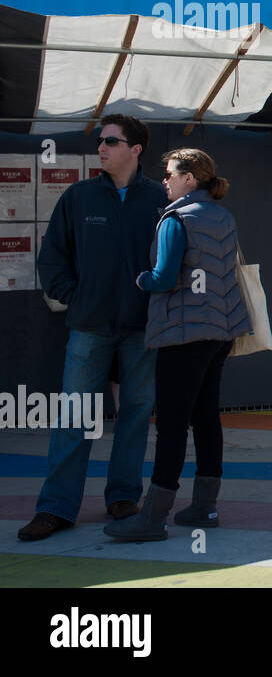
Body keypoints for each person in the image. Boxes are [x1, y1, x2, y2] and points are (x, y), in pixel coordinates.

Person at [19, 116, 168, 543]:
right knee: (74, 417)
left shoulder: (160, 199)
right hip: (89, 325)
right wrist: (73, 294)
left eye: (110, 141)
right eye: (100, 141)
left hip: (143, 330)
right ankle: (56, 508)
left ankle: (123, 498)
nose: (101, 147)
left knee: (136, 415)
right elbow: (52, 255)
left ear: (135, 149)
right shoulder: (79, 196)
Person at [103, 148, 251, 541]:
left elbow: (165, 276)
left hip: (182, 333)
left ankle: (152, 517)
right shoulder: (223, 216)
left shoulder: (175, 219)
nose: (164, 180)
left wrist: (141, 280)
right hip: (219, 332)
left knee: (171, 425)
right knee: (206, 418)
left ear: (190, 178)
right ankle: (205, 506)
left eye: (170, 174)